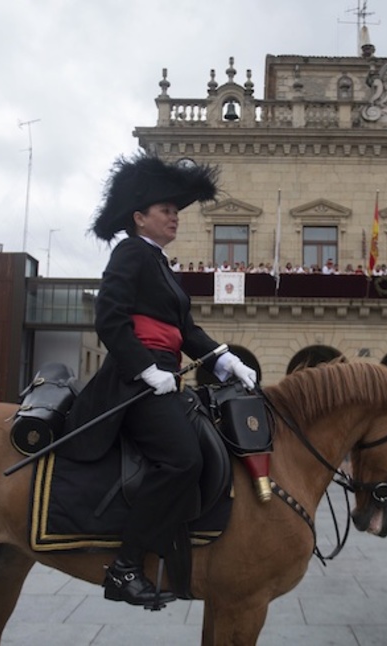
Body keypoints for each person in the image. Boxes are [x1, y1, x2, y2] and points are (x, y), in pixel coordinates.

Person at [65, 150, 257, 608]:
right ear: (140, 217)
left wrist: (225, 359)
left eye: (176, 211)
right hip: (135, 383)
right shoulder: (130, 252)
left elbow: (185, 331)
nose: (175, 218)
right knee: (182, 459)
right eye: (166, 211)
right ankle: (126, 565)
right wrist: (145, 368)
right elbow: (109, 318)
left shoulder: (159, 264)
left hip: (165, 377)